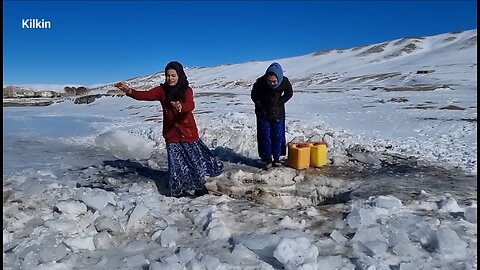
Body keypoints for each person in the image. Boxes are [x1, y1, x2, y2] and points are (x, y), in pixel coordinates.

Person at [114, 61, 223, 198]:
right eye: (167, 75)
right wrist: (129, 91)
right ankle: (177, 190)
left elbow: (190, 105)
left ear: (179, 75)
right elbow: (145, 95)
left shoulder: (186, 90)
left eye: (173, 75)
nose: (170, 78)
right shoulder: (162, 90)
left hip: (187, 133)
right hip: (172, 135)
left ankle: (199, 188)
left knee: (194, 162)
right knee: (176, 166)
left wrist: (181, 107)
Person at [251, 62, 293, 169]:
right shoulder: (260, 82)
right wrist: (260, 105)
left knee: (278, 135)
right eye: (269, 81)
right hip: (263, 112)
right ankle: (267, 159)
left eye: (274, 81)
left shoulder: (284, 81)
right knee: (265, 135)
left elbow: (289, 93)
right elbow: (254, 96)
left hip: (277, 112)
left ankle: (277, 158)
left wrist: (280, 102)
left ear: (278, 78)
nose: (272, 84)